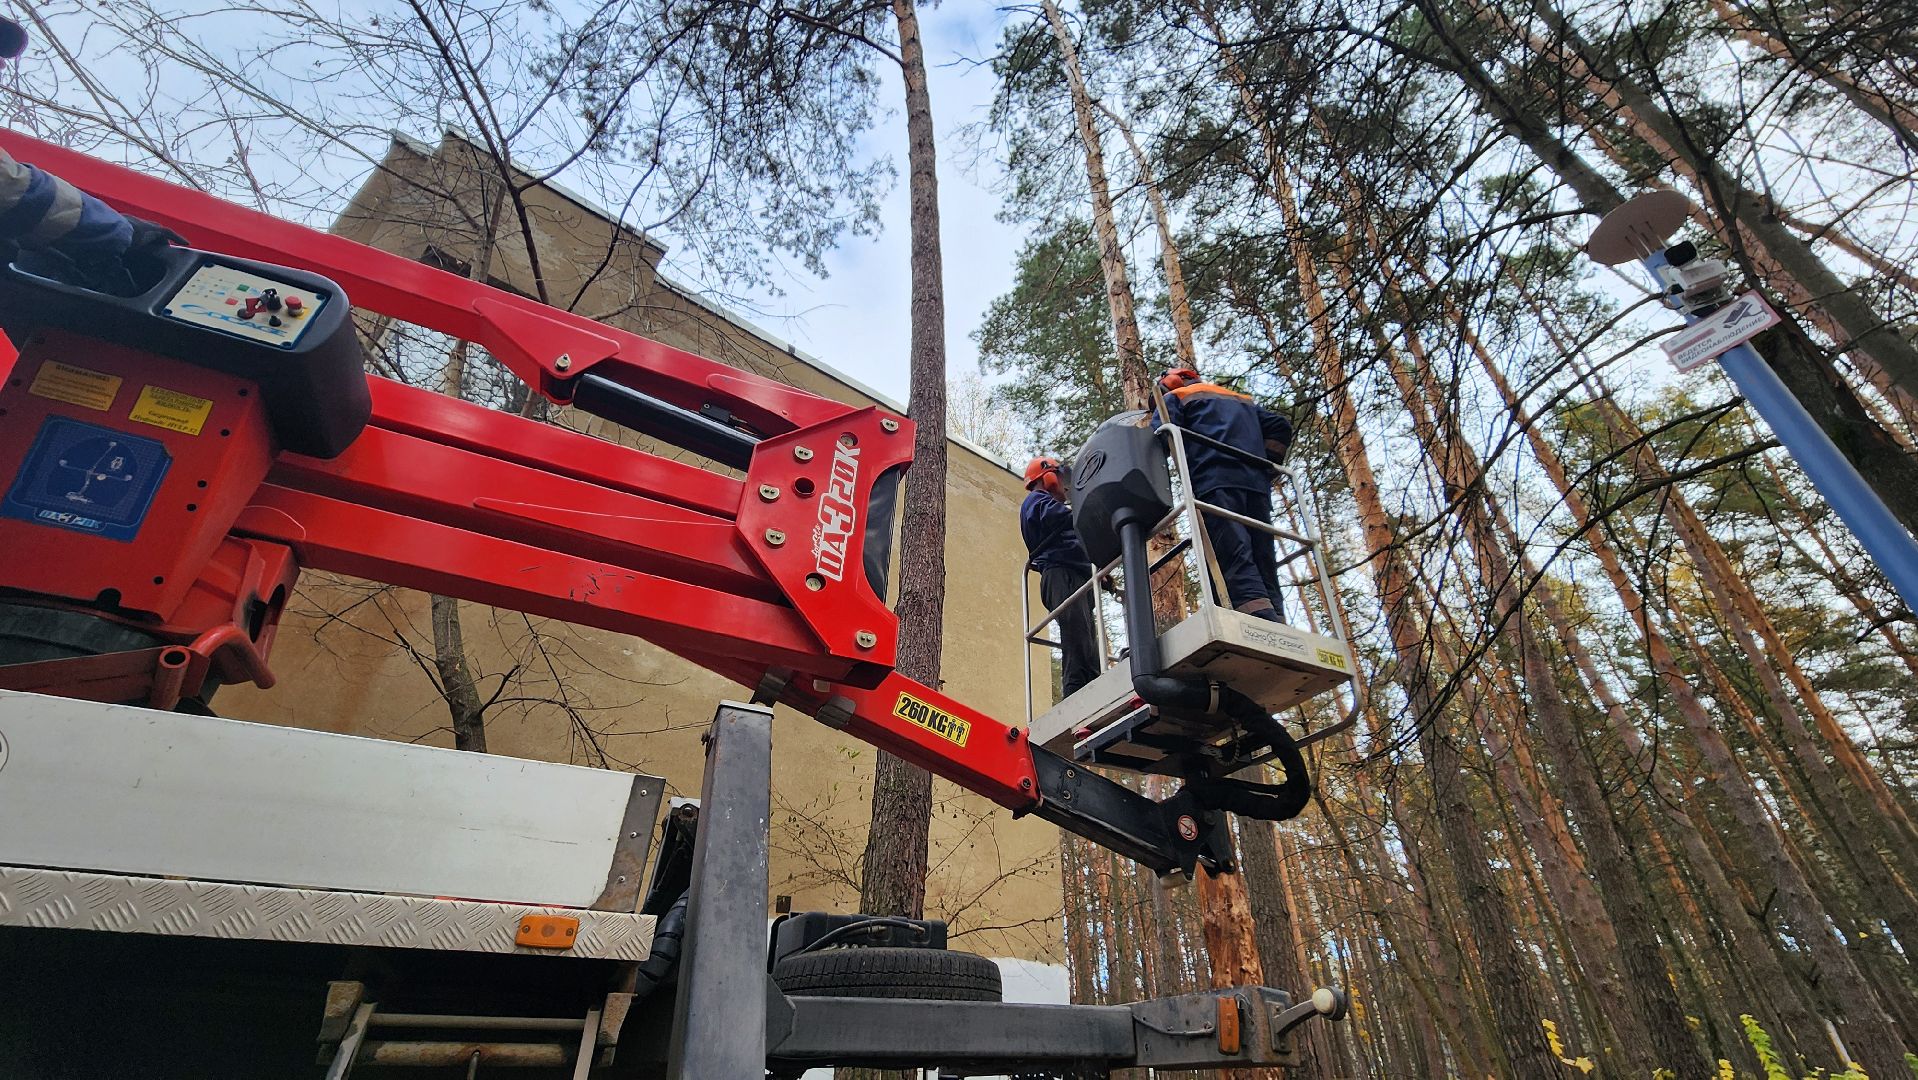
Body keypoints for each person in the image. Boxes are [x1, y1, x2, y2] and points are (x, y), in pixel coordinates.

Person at [1155, 367, 1294, 623]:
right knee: (1262, 552)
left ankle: (1256, 615)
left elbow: (1161, 437)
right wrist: (1267, 462)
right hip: (1256, 486)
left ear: (1170, 381)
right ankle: (1277, 614)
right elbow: (1279, 425)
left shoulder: (1176, 398)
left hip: (1215, 480)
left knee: (1232, 547)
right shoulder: (1241, 400)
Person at [1020, 456, 1100, 699]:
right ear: (1047, 476)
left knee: (1087, 639)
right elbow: (1058, 518)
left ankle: (1095, 687)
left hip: (1075, 574)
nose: (1066, 486)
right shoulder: (1036, 501)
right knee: (1076, 637)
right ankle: (1076, 694)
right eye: (1061, 478)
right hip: (1059, 574)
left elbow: (1074, 540)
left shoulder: (1053, 510)